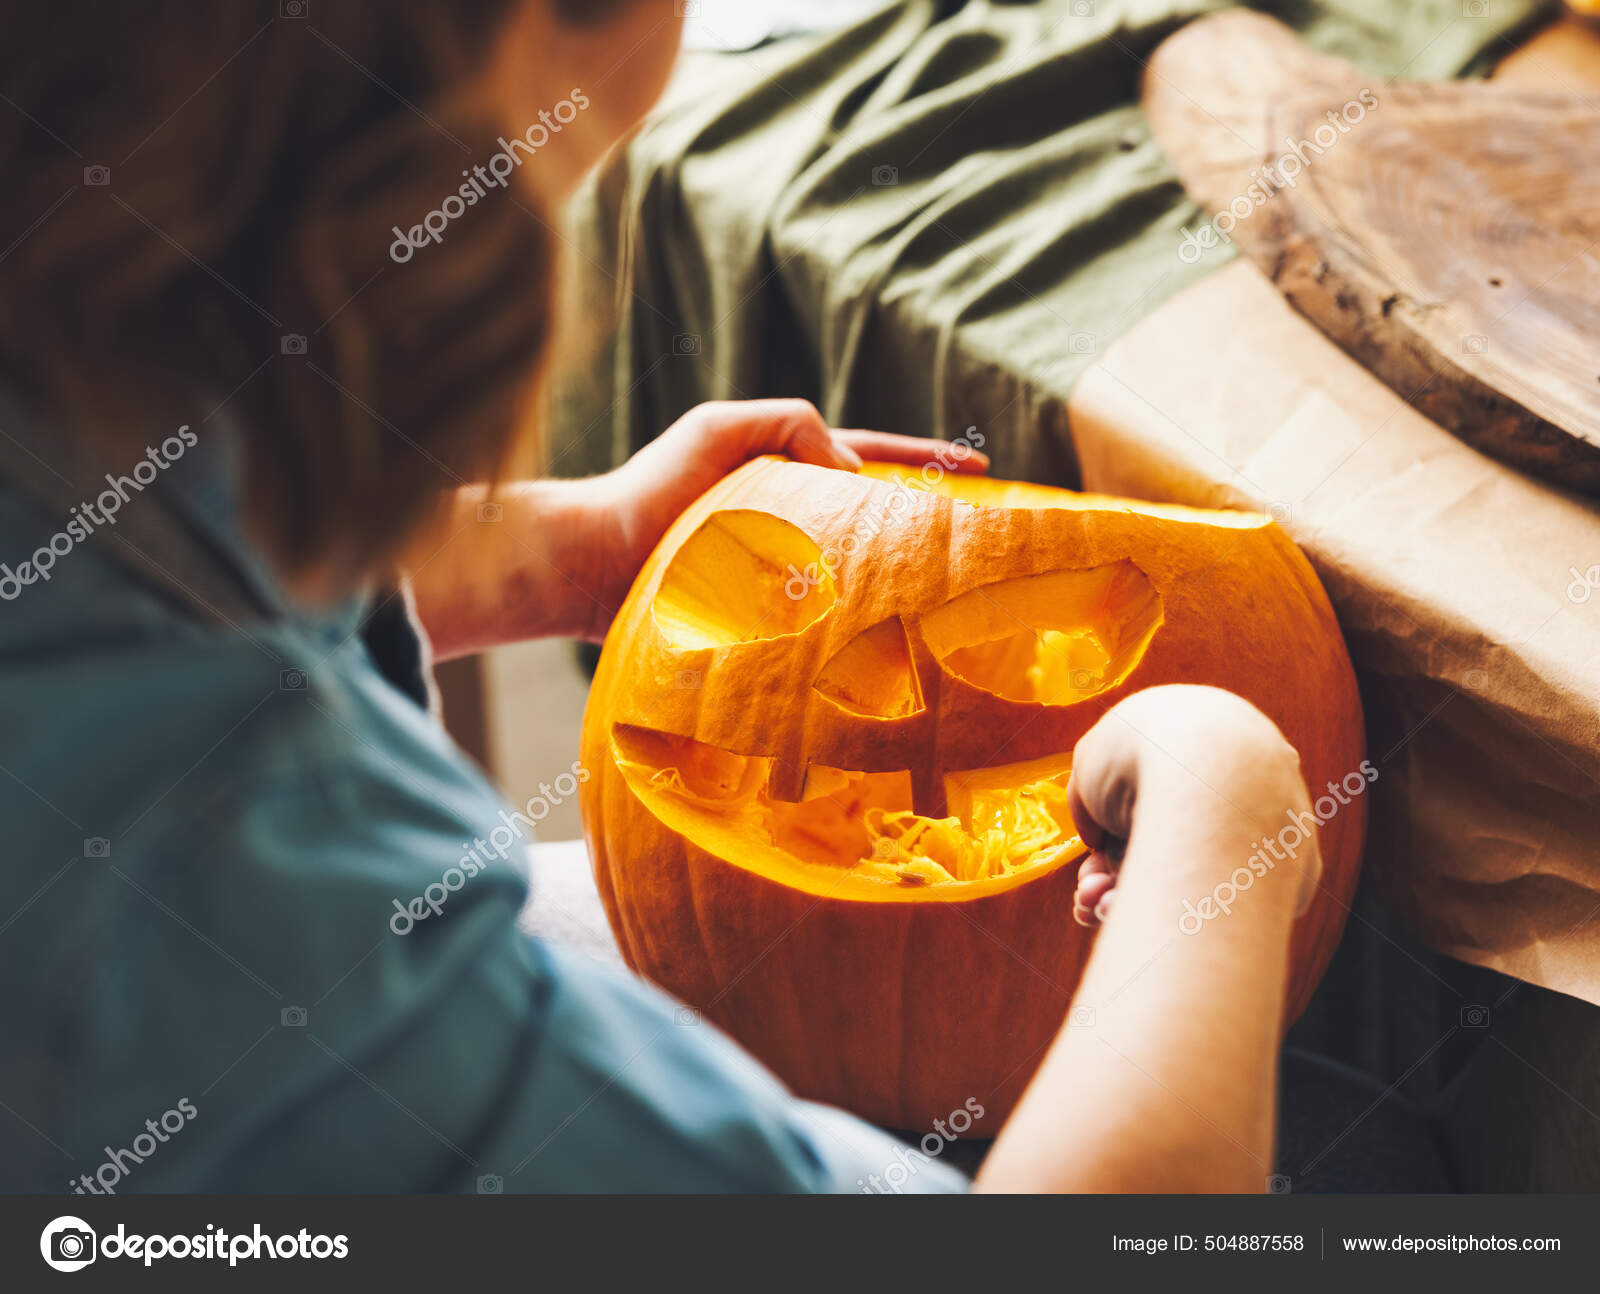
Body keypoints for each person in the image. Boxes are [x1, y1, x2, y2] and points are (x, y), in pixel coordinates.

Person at [0, 0, 1320, 1193]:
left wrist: (567, 549)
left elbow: (158, 526)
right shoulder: (236, 887)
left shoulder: (71, 328)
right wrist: (1229, 822)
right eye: (555, 176)